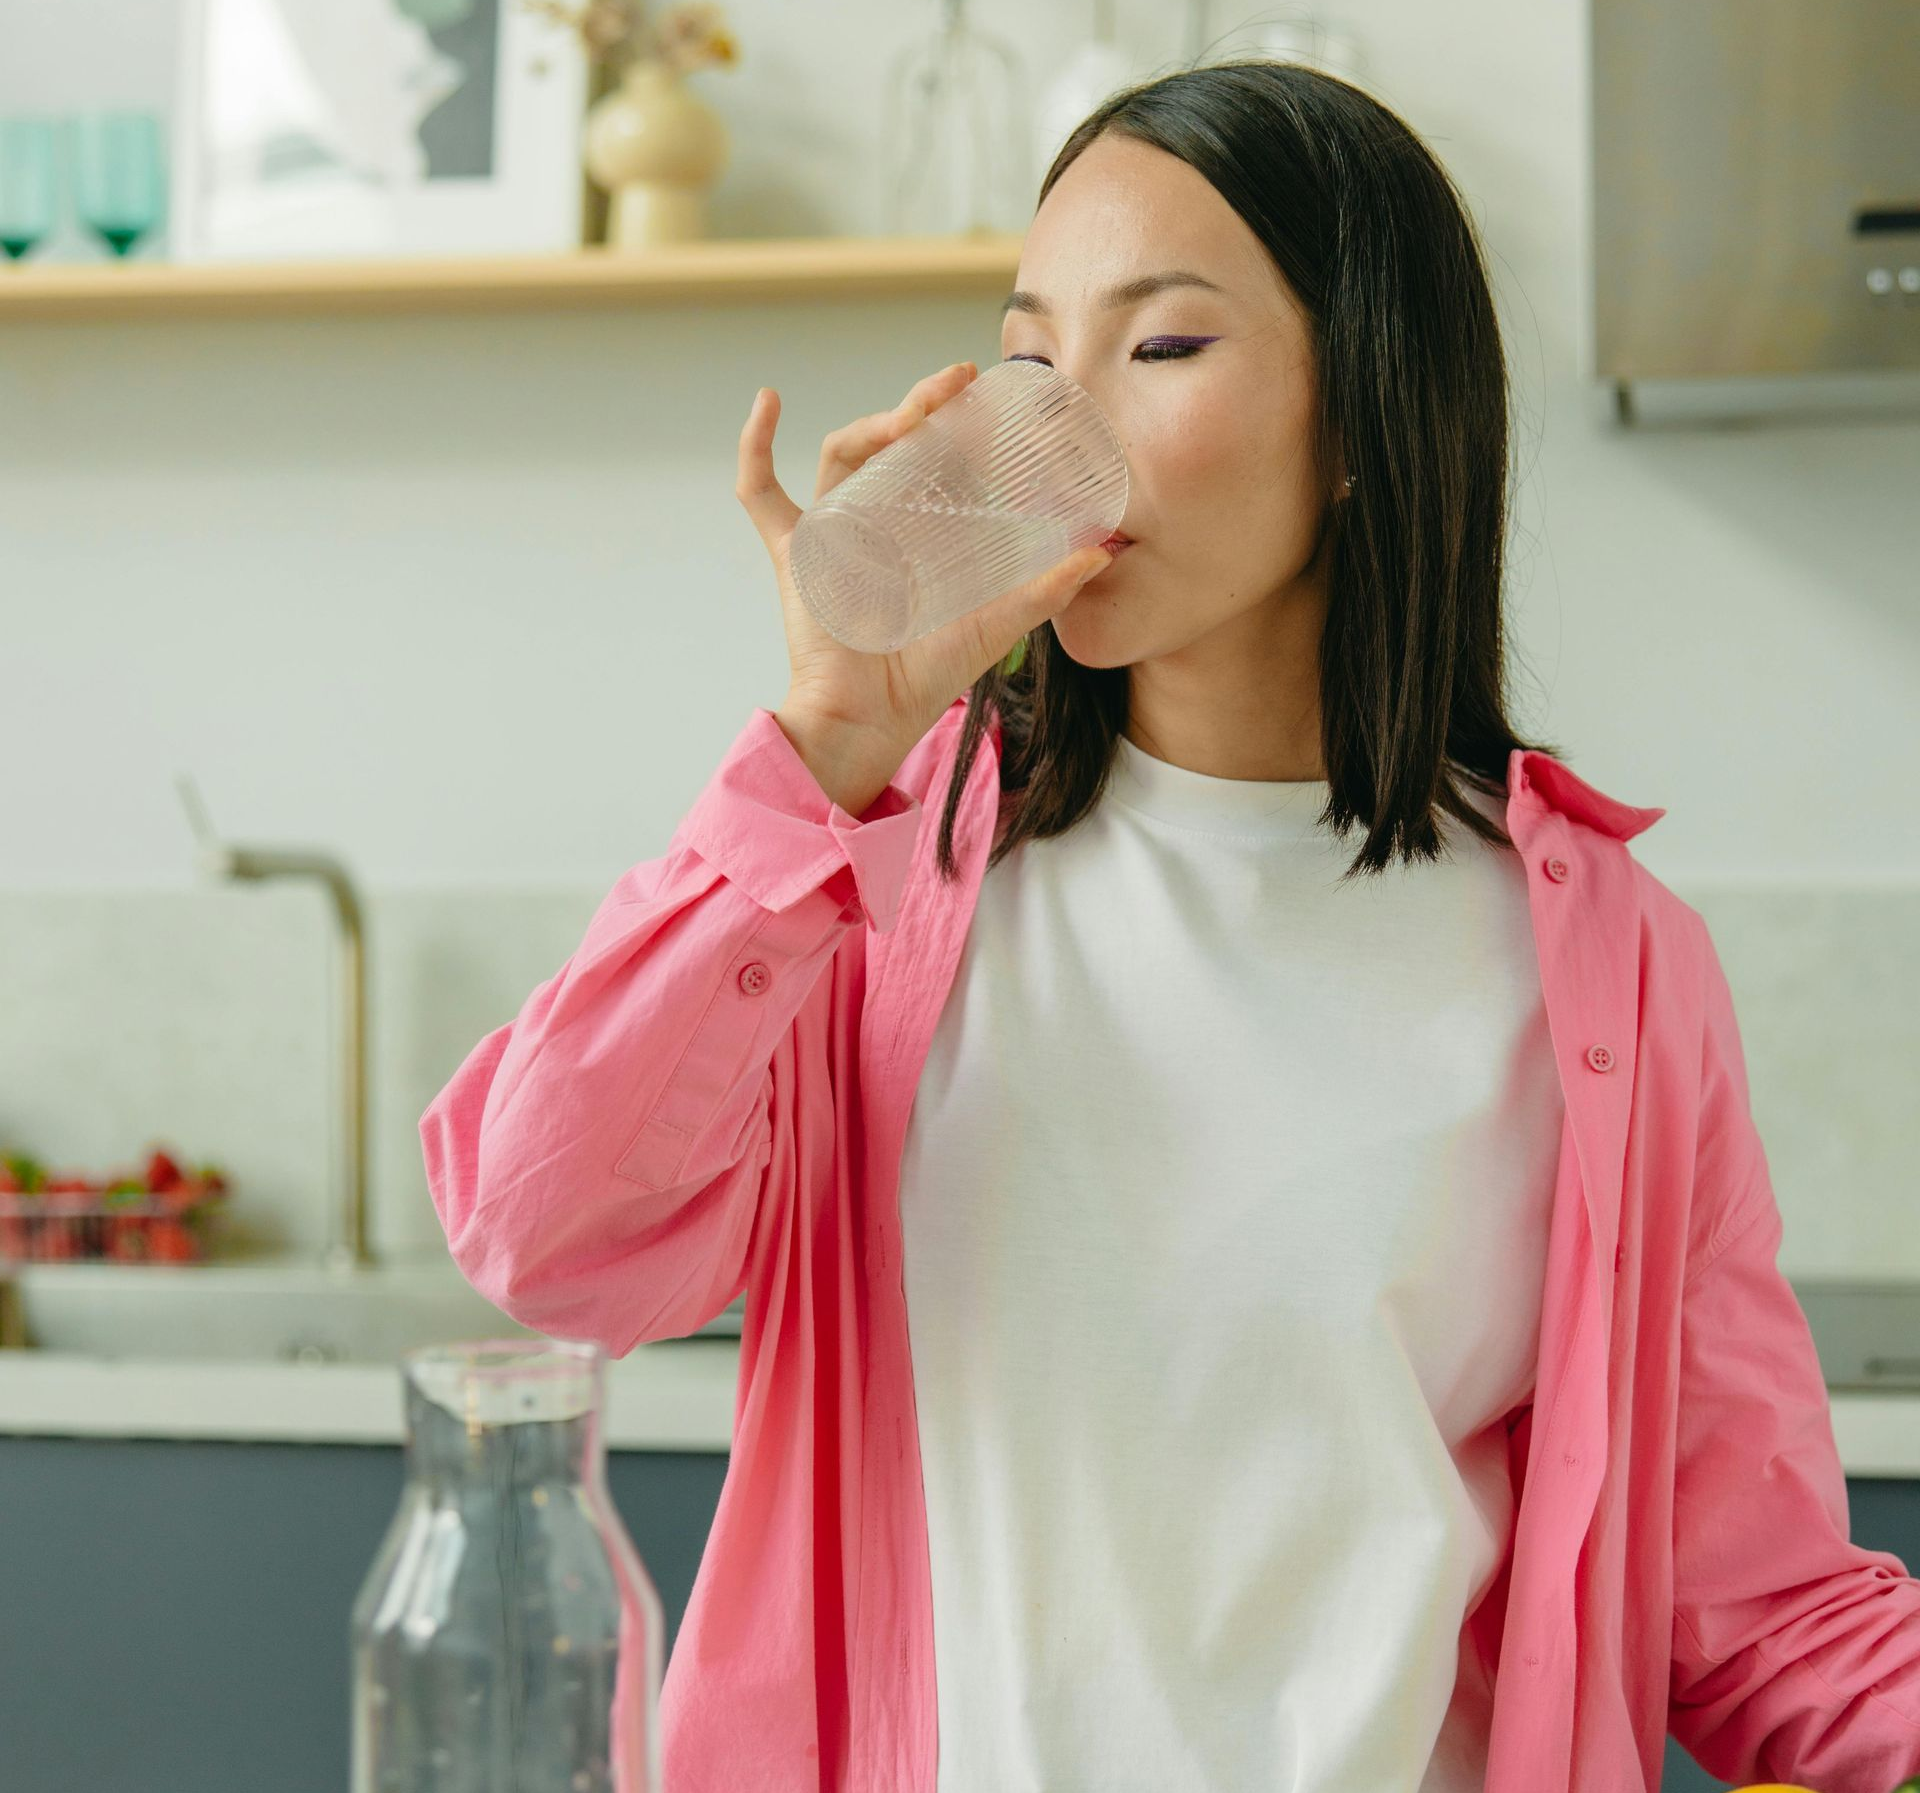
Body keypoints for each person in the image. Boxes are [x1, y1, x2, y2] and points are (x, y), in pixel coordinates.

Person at [419, 59, 1920, 1793]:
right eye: (1031, 358)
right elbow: (545, 1235)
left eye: (1165, 345)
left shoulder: (1606, 967)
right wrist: (827, 753)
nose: (1056, 432)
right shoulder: (878, 885)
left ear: (1362, 418)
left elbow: (1756, 1611)